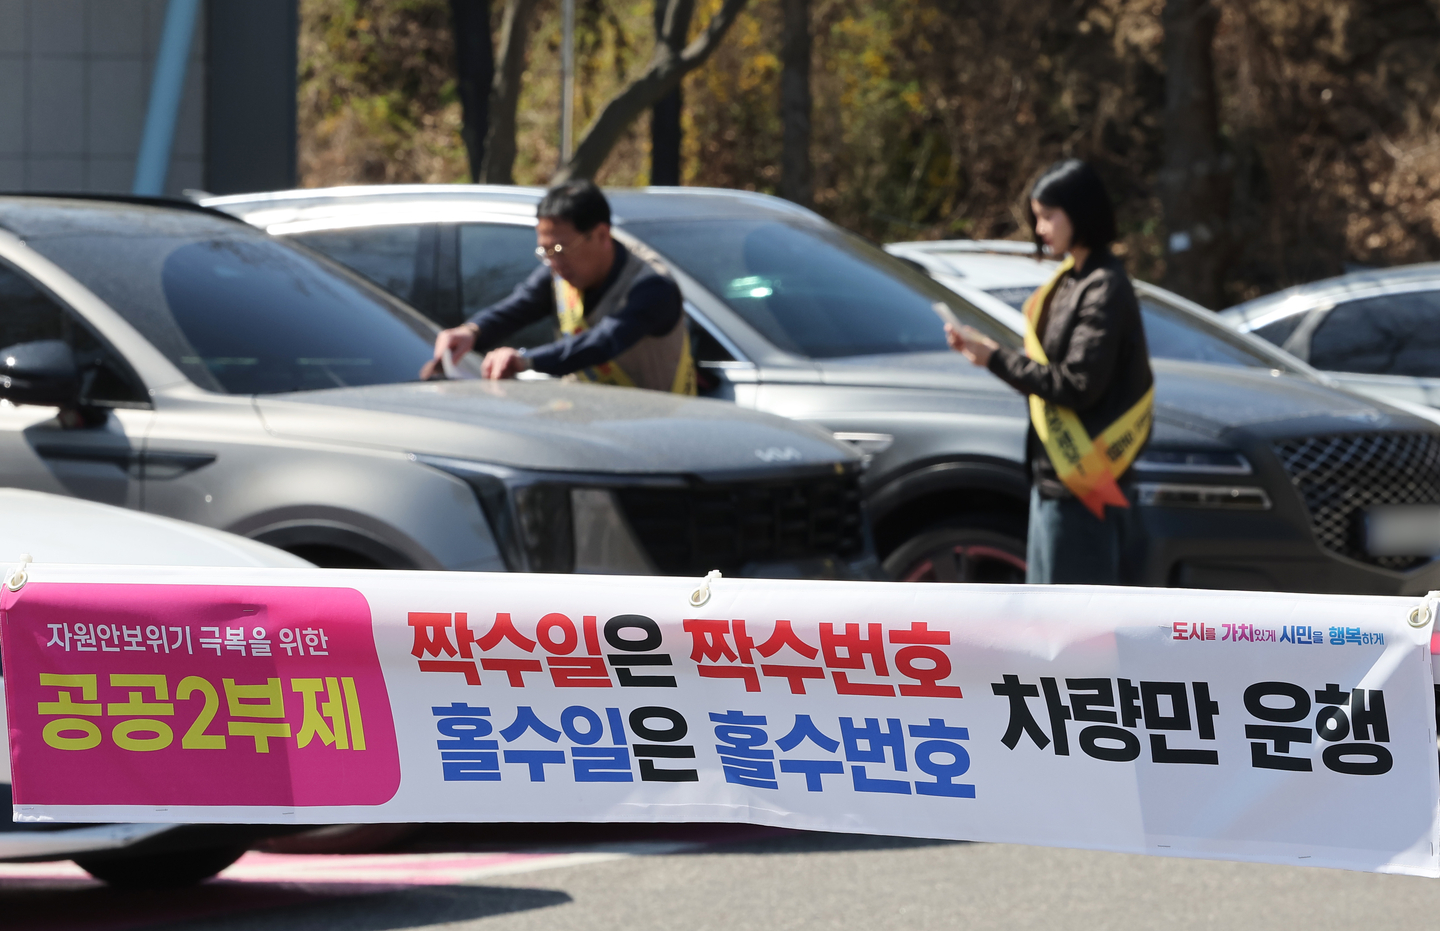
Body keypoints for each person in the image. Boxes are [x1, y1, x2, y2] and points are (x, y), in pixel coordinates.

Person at [945, 159, 1154, 584]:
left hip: (1085, 484)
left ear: (1081, 212)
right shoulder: (1070, 279)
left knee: (1074, 634)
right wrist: (990, 355)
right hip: (1055, 478)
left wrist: (996, 358)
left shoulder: (1104, 286)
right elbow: (1048, 373)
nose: (1040, 229)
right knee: (1048, 620)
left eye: (1047, 217)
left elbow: (1076, 384)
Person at [422, 180, 696, 395]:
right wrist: (471, 332)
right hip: (593, 423)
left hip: (657, 433)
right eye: (545, 251)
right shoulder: (561, 271)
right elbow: (519, 306)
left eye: (561, 249)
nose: (554, 263)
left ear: (601, 235)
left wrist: (525, 361)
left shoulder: (652, 286)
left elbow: (603, 341)